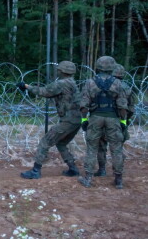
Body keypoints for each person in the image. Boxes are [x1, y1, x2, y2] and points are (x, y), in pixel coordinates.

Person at [17, 61, 82, 179]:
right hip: (76, 120)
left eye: (59, 70)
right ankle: (73, 168)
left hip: (68, 120)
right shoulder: (72, 82)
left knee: (45, 142)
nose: (57, 71)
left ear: (62, 71)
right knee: (61, 143)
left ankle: (36, 171)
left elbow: (44, 92)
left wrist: (26, 86)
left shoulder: (61, 83)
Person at [78, 56, 128, 189]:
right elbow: (122, 106)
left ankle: (88, 178)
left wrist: (84, 120)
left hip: (95, 117)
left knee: (92, 148)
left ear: (97, 67)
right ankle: (118, 180)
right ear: (112, 68)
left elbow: (83, 105)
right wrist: (123, 121)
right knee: (116, 149)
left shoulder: (90, 82)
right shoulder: (118, 83)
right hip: (113, 118)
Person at [93, 63, 134, 177]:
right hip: (119, 121)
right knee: (117, 149)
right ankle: (118, 175)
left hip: (101, 119)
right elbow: (130, 108)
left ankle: (102, 170)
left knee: (101, 147)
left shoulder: (100, 84)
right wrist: (125, 120)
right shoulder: (126, 87)